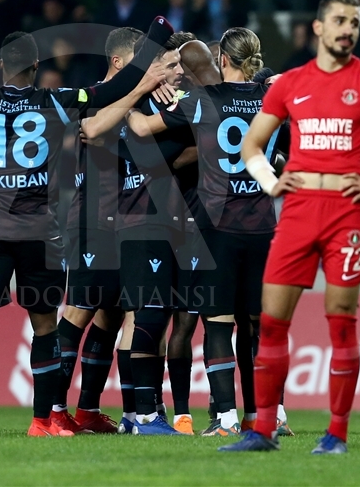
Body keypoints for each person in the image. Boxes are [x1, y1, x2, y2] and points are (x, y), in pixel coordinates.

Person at [0, 13, 170, 437]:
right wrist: (156, 37)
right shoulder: (55, 100)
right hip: (39, 234)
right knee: (45, 327)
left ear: (0, 65)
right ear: (36, 67)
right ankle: (40, 420)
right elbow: (112, 89)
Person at [223, 0, 360, 453]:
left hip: (347, 215)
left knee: (341, 322)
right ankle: (262, 430)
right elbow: (251, 144)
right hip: (299, 210)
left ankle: (336, 433)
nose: (348, 30)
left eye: (354, 23)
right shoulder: (290, 83)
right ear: (319, 27)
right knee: (271, 322)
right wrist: (269, 181)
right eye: (340, 20)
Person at [125, 30, 288, 439]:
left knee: (218, 325)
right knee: (258, 326)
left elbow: (142, 128)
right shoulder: (273, 98)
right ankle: (266, 415)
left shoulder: (200, 100)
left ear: (223, 60)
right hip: (263, 226)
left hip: (218, 228)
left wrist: (129, 100)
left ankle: (226, 419)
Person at [79, 32, 191, 435]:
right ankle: (141, 414)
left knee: (129, 317)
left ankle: (135, 414)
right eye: (170, 64)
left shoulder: (162, 103)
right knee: (133, 316)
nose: (177, 72)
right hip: (132, 221)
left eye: (181, 65)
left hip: (147, 220)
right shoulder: (130, 104)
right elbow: (96, 130)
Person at [51, 26, 144, 435]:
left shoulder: (138, 99)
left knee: (113, 315)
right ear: (118, 62)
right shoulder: (92, 97)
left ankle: (88, 409)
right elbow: (93, 130)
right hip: (92, 219)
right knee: (79, 310)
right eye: (139, 61)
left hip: (126, 221)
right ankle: (53, 409)